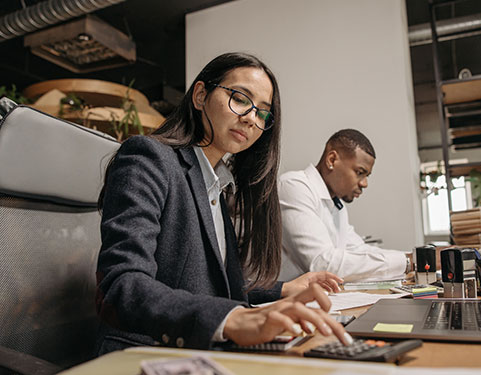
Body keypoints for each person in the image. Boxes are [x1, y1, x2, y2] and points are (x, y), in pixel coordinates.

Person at [94, 52, 351, 355]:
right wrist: (232, 318)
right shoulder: (148, 159)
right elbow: (123, 285)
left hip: (202, 351)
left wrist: (283, 289)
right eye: (240, 99)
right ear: (201, 95)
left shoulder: (219, 183)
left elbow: (207, 285)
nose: (251, 119)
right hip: (147, 354)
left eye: (262, 113)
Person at [278, 129, 411, 283]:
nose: (364, 184)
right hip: (271, 303)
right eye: (360, 172)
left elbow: (360, 250)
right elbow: (322, 264)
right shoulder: (294, 186)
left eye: (366, 176)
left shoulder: (337, 205)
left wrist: (415, 258)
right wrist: (408, 262)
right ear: (332, 160)